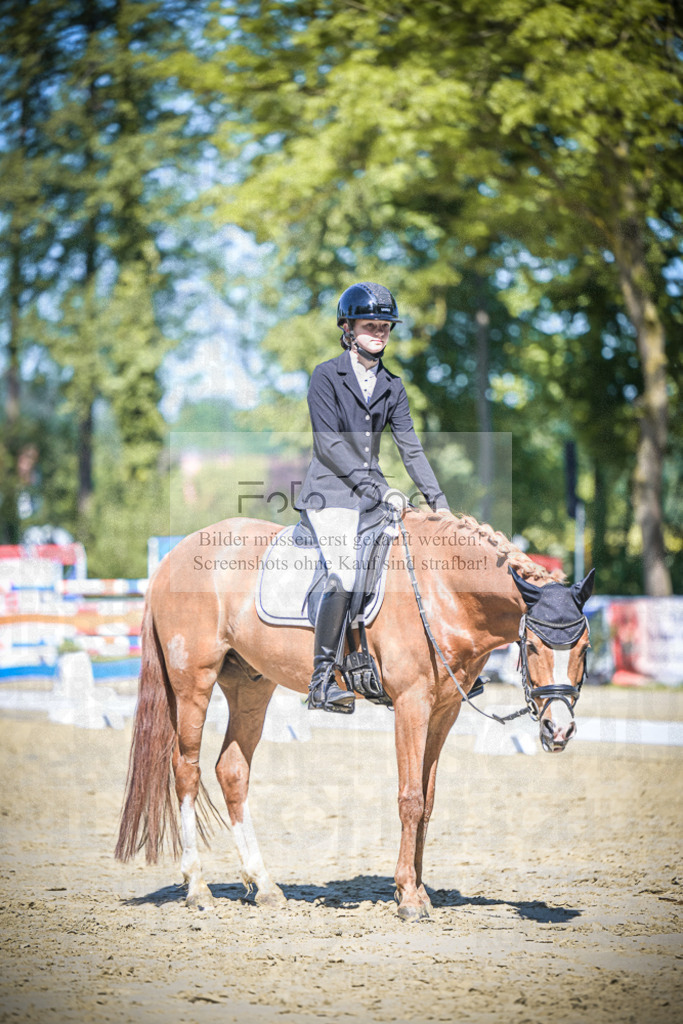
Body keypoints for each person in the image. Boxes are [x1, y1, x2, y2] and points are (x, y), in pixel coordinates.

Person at [295, 281, 450, 713]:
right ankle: (322, 680)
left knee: (419, 558)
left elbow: (411, 447)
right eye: (370, 325)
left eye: (385, 327)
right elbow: (329, 445)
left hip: (371, 499)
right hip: (329, 496)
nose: (379, 332)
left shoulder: (393, 385)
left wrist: (439, 505)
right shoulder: (326, 375)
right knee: (344, 572)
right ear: (347, 328)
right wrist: (381, 489)